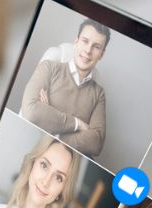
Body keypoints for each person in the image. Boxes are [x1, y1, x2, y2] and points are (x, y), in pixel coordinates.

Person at [19, 19, 109, 157]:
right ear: (76, 42)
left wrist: (51, 128)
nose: (88, 50)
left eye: (96, 47)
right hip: (28, 149)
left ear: (101, 55)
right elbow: (31, 112)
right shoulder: (49, 67)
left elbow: (95, 144)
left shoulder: (98, 93)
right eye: (85, 41)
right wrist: (77, 124)